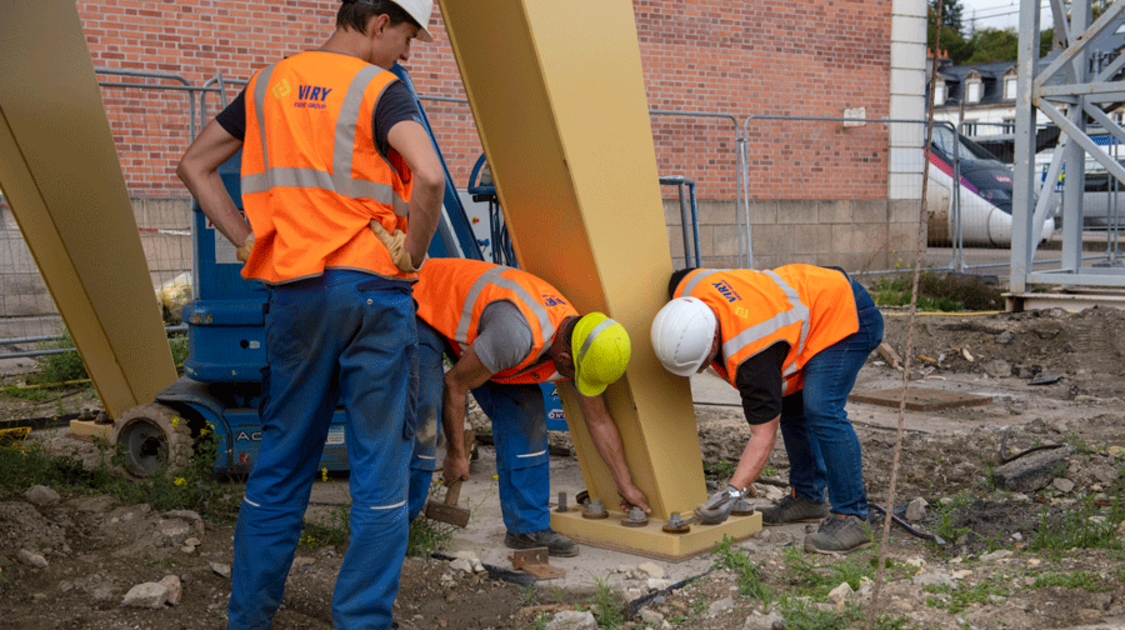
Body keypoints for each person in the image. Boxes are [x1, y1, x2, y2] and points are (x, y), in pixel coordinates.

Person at [175, 1, 443, 627]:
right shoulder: (381, 88)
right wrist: (414, 252)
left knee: (282, 461)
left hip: (294, 295)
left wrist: (244, 237)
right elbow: (428, 176)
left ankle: (249, 618)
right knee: (380, 469)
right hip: (373, 294)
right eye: (406, 38)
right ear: (379, 22)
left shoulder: (269, 83)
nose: (406, 55)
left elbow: (193, 164)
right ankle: (363, 621)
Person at [407, 257, 649, 557]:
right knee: (423, 412)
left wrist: (625, 484)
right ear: (563, 361)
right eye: (576, 377)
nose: (576, 384)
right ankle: (395, 522)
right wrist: (457, 455)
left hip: (483, 331)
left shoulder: (582, 340)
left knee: (526, 406)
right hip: (423, 303)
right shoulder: (516, 336)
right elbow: (455, 385)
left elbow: (599, 420)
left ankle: (528, 527)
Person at [650, 265, 884, 554]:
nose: (700, 371)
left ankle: (853, 517)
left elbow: (762, 437)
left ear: (712, 342)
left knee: (822, 408)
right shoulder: (686, 287)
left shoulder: (751, 358)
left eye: (699, 364)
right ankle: (808, 499)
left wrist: (731, 493)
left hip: (845, 312)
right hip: (806, 303)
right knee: (792, 405)